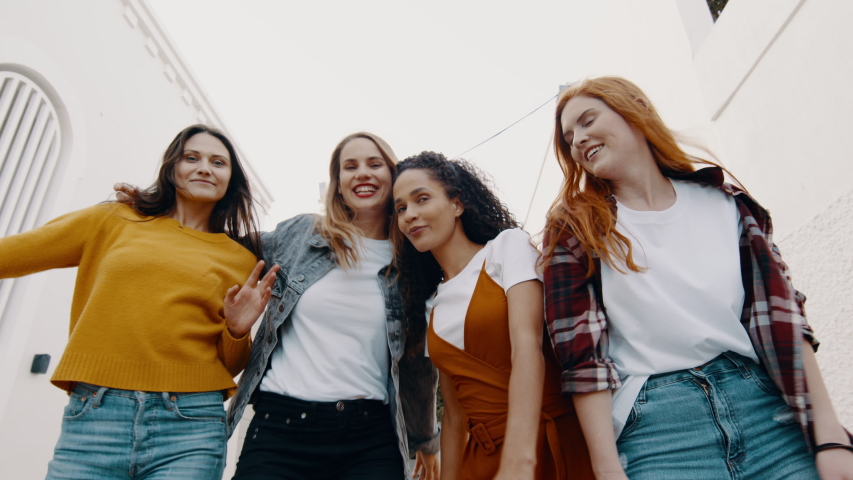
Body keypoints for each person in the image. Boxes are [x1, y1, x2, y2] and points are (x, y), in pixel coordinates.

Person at [541, 76, 853, 479]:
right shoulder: (575, 230)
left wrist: (830, 439)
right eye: (568, 138)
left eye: (587, 120)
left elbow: (785, 322)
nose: (578, 140)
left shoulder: (728, 205)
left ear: (636, 109)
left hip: (764, 412)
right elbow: (583, 361)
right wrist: (607, 469)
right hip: (659, 431)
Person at [0, 124, 279, 479]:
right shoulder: (113, 219)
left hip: (191, 424)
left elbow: (229, 364)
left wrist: (238, 330)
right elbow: (14, 253)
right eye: (191, 158)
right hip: (95, 416)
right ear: (171, 168)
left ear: (231, 180)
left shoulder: (241, 259)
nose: (205, 167)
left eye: (218, 162)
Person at [224, 133, 440, 480]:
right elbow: (221, 246)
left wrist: (426, 440)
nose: (362, 173)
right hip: (281, 429)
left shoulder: (413, 263)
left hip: (369, 439)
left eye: (374, 164)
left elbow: (417, 365)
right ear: (338, 184)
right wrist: (159, 208)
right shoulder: (301, 235)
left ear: (392, 174)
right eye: (349, 167)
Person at [392, 151, 594, 480]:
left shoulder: (506, 248)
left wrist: (520, 458)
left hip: (545, 445)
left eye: (422, 199)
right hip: (480, 463)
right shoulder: (431, 305)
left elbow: (528, 345)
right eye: (401, 208)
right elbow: (455, 418)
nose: (410, 215)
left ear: (457, 204)